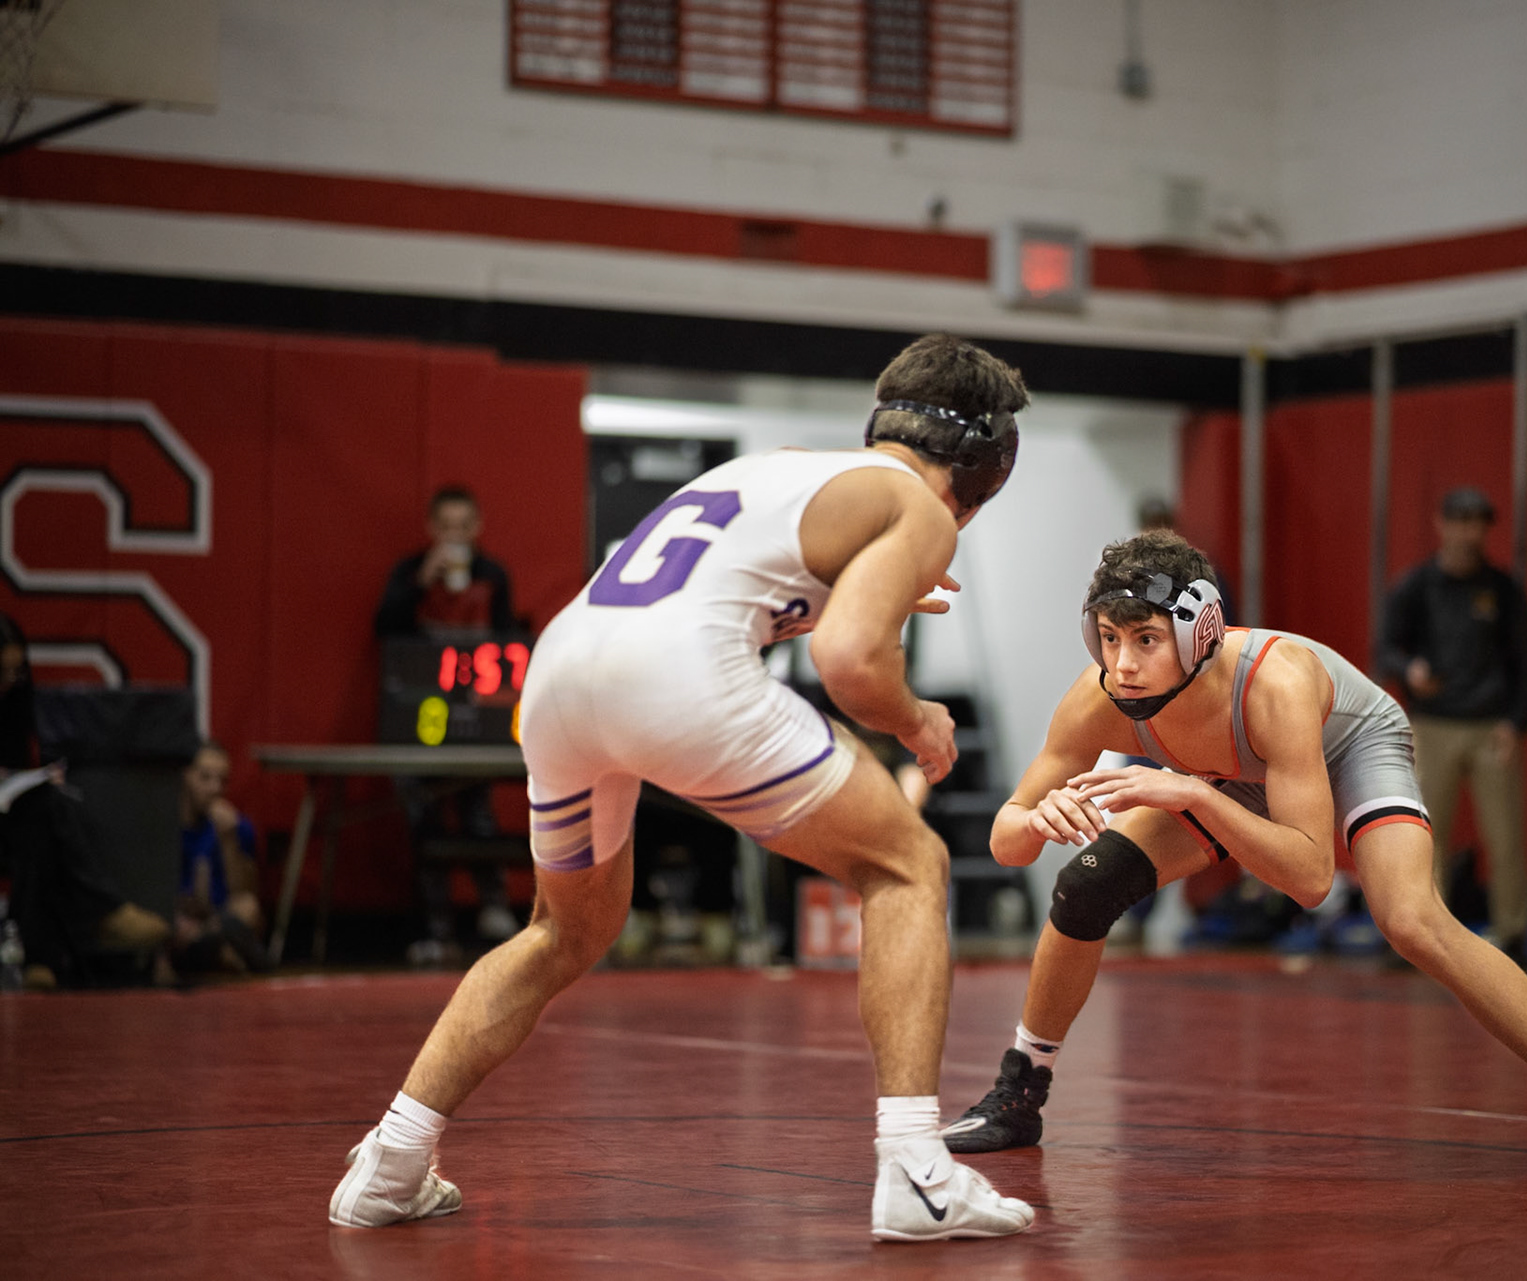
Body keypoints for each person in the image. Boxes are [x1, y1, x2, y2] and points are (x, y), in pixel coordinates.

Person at [329, 333, 1036, 1241]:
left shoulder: (784, 467)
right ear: (987, 464)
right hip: (675, 678)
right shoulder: (918, 506)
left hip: (560, 672)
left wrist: (860, 594)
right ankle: (916, 1170)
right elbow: (851, 660)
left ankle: (391, 1162)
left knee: (561, 930)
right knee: (907, 864)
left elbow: (737, 593)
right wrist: (914, 718)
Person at [941, 531, 1527, 1181]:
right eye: (1108, 638)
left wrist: (1194, 793)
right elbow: (1006, 840)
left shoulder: (1275, 682)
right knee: (1084, 887)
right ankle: (1019, 1091)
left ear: (1198, 634)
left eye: (1146, 640)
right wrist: (1034, 818)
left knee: (1410, 919)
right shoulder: (1096, 697)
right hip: (1226, 771)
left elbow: (1312, 879)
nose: (1123, 665)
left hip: (1346, 746)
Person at [1377, 486, 1527, 961]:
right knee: (1423, 834)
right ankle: (1423, 932)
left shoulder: (1502, 589)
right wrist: (1410, 670)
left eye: (1479, 525)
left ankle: (1512, 932)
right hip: (1433, 725)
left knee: (1505, 836)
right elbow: (1385, 648)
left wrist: (1517, 722)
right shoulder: (1416, 586)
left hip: (1491, 725)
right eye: (1462, 522)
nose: (1470, 534)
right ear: (1442, 524)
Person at [375, 485, 522, 962]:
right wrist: (421, 583)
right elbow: (385, 631)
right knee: (424, 818)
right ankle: (436, 926)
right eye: (446, 526)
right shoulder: (409, 573)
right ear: (431, 528)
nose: (454, 535)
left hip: (478, 715)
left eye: (463, 526)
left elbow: (508, 645)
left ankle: (494, 910)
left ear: (477, 528)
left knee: (478, 813)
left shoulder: (493, 575)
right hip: (419, 718)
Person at [0, 613, 170, 988]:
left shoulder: (14, 701)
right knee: (43, 814)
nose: (9, 681)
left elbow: (16, 763)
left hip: (10, 816)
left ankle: (40, 959)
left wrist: (26, 778)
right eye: (2, 672)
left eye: (16, 671)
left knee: (41, 819)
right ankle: (99, 915)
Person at [173, 741, 270, 974]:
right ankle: (223, 956)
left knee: (247, 909)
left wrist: (228, 842)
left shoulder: (237, 827)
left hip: (217, 921)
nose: (215, 788)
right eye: (205, 778)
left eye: (223, 781)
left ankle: (213, 950)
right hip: (179, 919)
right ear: (185, 776)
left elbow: (245, 894)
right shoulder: (166, 827)